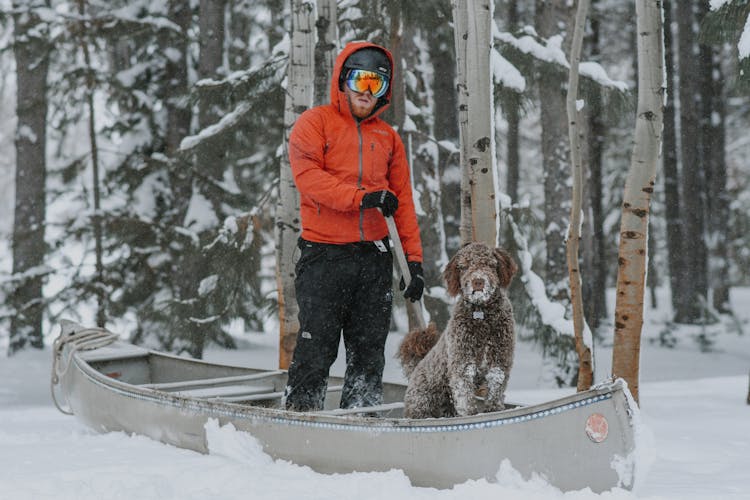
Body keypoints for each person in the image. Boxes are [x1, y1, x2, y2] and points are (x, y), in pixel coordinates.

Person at [284, 41, 424, 412]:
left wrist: (413, 262)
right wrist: (362, 197)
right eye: (359, 81)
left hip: (373, 259)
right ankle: (300, 418)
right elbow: (309, 178)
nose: (366, 92)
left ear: (384, 91)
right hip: (323, 257)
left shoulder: (388, 138)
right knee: (317, 347)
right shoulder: (315, 123)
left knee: (368, 353)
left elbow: (403, 202)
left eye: (375, 85)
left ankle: (360, 422)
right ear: (343, 80)